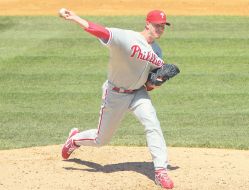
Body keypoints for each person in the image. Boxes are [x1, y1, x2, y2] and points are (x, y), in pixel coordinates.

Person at [60, 8, 174, 189]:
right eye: (157, 25)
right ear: (147, 24)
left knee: (152, 124)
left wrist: (157, 82)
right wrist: (76, 18)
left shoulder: (157, 52)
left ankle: (161, 171)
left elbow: (148, 85)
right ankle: (74, 140)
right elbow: (101, 31)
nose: (160, 29)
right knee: (101, 139)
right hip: (115, 94)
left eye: (163, 26)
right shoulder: (127, 38)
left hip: (138, 94)